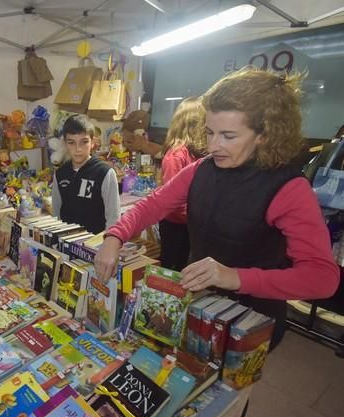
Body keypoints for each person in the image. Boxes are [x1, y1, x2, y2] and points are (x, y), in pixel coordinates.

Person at [94, 68, 340, 351]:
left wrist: (234, 276)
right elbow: (154, 204)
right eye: (210, 132)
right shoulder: (201, 169)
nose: (214, 145)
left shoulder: (289, 189)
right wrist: (115, 237)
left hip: (250, 321)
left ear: (264, 134)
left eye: (228, 136)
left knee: (234, 393)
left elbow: (322, 278)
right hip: (199, 307)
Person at [159, 97, 207, 271]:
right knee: (173, 269)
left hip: (190, 225)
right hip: (176, 226)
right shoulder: (176, 156)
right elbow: (173, 204)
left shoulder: (196, 154)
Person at [51, 115, 120, 234]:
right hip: (67, 244)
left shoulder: (105, 173)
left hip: (95, 246)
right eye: (71, 143)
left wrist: (108, 244)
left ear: (93, 142)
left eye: (84, 142)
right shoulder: (60, 173)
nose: (78, 149)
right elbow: (56, 214)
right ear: (65, 143)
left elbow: (113, 218)